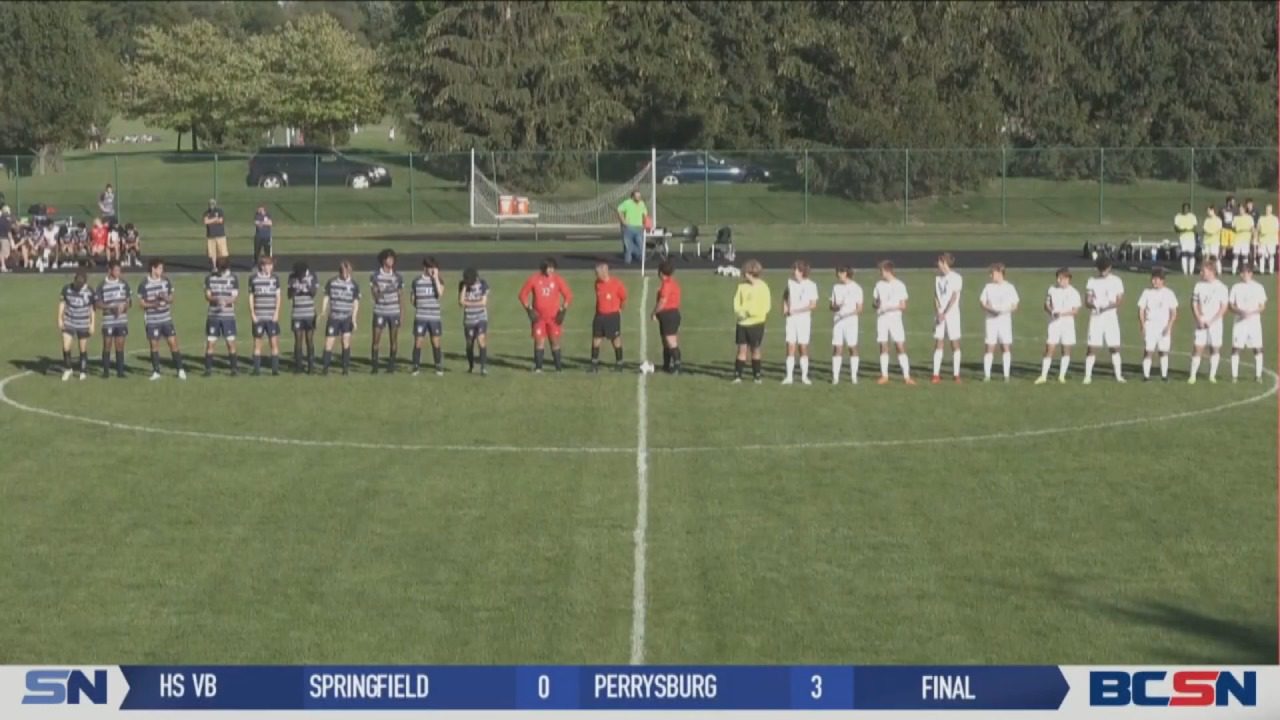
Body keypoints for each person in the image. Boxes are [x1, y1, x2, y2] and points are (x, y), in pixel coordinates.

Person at [517, 258, 573, 372]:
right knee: (539, 341)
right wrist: (529, 309)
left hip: (553, 318)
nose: (551, 270)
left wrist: (563, 309)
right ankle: (538, 368)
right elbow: (522, 295)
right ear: (544, 268)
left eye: (553, 268)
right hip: (539, 318)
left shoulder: (558, 280)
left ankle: (558, 368)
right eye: (549, 267)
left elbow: (569, 295)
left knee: (555, 341)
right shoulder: (534, 279)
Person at [137, 258, 185, 380]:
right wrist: (154, 304)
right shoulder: (144, 284)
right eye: (160, 268)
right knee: (154, 346)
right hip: (152, 320)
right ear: (153, 268)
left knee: (173, 343)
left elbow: (172, 299)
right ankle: (156, 371)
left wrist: (165, 297)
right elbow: (141, 304)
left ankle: (180, 370)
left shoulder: (165, 281)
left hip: (166, 318)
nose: (162, 271)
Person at [1083, 257, 1126, 384]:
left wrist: (1107, 307)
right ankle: (1087, 376)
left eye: (1104, 270)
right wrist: (1093, 305)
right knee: (1092, 347)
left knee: (1114, 347)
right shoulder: (1092, 281)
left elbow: (1119, 301)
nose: (1102, 272)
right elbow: (1087, 300)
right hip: (1096, 317)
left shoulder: (1116, 281)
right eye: (1100, 270)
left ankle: (1118, 376)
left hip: (1110, 317)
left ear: (1109, 268)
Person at [1036, 268, 1082, 384]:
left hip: (1067, 324)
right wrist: (1052, 312)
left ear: (1068, 279)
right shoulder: (1052, 290)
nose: (1059, 280)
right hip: (1054, 323)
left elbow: (1075, 311)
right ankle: (1043, 376)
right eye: (1058, 278)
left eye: (1061, 278)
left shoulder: (1074, 292)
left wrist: (1061, 313)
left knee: (1066, 349)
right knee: (1049, 347)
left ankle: (1062, 376)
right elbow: (1046, 304)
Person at [872, 260, 913, 385]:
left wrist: (889, 308)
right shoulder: (879, 284)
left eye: (882, 271)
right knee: (883, 346)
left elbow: (903, 306)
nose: (880, 273)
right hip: (882, 319)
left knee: (900, 346)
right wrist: (877, 304)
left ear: (888, 271)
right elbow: (875, 302)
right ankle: (884, 375)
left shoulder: (900, 285)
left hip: (895, 320)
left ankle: (906, 376)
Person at [1188, 259, 1228, 384]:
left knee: (1214, 348)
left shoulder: (1221, 287)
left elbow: (1223, 307)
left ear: (1211, 271)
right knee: (1197, 348)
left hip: (1215, 323)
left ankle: (1212, 375)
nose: (1201, 273)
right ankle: (1192, 375)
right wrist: (1198, 318)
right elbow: (1194, 303)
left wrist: (1212, 320)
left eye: (1203, 271)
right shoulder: (1199, 285)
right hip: (1201, 321)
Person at [979, 263, 1019, 382]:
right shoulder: (988, 287)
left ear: (1000, 273)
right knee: (989, 346)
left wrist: (1003, 311)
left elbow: (1015, 305)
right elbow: (982, 302)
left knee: (1005, 346)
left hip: (1004, 321)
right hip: (991, 321)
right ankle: (987, 375)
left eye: (992, 273)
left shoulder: (1009, 287)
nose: (990, 275)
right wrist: (990, 309)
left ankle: (1006, 375)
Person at [732, 259, 770, 383]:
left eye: (745, 272)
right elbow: (736, 303)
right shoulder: (741, 286)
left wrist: (753, 314)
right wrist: (741, 314)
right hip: (742, 323)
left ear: (751, 272)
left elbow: (766, 306)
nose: (744, 275)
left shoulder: (763, 287)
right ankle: (738, 376)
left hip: (757, 323)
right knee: (741, 350)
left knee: (755, 349)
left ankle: (757, 376)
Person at [1136, 267, 1178, 382]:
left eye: (1157, 279)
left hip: (1163, 326)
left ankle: (1164, 376)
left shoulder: (1169, 293)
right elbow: (1141, 310)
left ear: (1162, 280)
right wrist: (1143, 325)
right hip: (1150, 325)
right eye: (1153, 279)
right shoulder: (1147, 292)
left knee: (1163, 351)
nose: (1154, 281)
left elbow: (1174, 312)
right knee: (1148, 350)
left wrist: (1169, 326)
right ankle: (1146, 376)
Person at [1228, 264, 1267, 383]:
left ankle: (1258, 375)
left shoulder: (1259, 287)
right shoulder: (1236, 287)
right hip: (1239, 322)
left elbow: (1262, 306)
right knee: (1236, 348)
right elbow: (1231, 305)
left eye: (1243, 273)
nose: (1241, 275)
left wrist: (1252, 312)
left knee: (1257, 348)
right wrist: (1240, 312)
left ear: (1250, 273)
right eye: (1241, 273)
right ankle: (1234, 376)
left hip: (1254, 323)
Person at [321, 261, 360, 375]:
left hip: (346, 318)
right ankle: (325, 368)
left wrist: (354, 319)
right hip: (334, 317)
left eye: (347, 272)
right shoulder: (332, 282)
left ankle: (345, 368)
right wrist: (323, 310)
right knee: (329, 342)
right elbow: (326, 297)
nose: (346, 274)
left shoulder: (353, 285)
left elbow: (356, 303)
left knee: (345, 341)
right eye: (343, 271)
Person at [782, 259, 818, 385]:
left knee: (803, 347)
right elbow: (785, 295)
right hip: (791, 320)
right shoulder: (790, 283)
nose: (794, 272)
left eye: (796, 270)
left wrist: (797, 310)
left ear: (802, 272)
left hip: (804, 320)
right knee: (790, 346)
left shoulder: (811, 285)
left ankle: (804, 377)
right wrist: (785, 306)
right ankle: (789, 377)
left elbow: (813, 305)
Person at [203, 256, 240, 376]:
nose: (222, 271)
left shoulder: (233, 278)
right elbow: (207, 295)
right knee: (211, 342)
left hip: (228, 316)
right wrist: (216, 299)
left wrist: (226, 302)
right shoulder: (210, 278)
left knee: (230, 342)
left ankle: (234, 369)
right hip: (213, 316)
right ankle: (208, 369)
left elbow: (235, 296)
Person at [369, 249, 404, 373]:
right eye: (389, 259)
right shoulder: (375, 276)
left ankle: (391, 366)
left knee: (393, 340)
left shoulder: (398, 277)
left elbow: (400, 296)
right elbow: (375, 296)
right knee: (376, 339)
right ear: (384, 260)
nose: (392, 261)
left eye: (393, 259)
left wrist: (402, 314)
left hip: (393, 311)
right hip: (380, 311)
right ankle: (374, 366)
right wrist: (380, 291)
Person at [96, 259, 132, 378]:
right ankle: (106, 372)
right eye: (116, 270)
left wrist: (124, 307)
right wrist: (111, 308)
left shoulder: (124, 284)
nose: (118, 272)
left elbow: (129, 302)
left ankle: (120, 372)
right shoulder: (102, 285)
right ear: (110, 270)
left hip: (121, 319)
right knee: (107, 344)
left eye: (119, 270)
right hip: (108, 320)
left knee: (120, 344)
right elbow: (98, 304)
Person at [931, 252, 963, 383]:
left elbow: (954, 297)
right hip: (940, 315)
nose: (937, 265)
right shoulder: (938, 279)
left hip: (952, 315)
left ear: (944, 263)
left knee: (954, 343)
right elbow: (935, 296)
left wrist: (945, 312)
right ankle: (935, 374)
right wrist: (938, 312)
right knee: (938, 342)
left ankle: (956, 374)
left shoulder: (956, 277)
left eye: (939, 262)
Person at [58, 271, 96, 381]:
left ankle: (83, 371)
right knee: (66, 346)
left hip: (83, 322)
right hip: (69, 321)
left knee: (82, 347)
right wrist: (60, 319)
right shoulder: (66, 289)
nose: (79, 287)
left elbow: (92, 309)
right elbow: (62, 304)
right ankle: (68, 369)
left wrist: (92, 324)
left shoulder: (89, 291)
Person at [411, 258, 446, 376]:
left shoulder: (439, 280)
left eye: (434, 267)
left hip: (434, 317)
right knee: (418, 341)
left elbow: (440, 294)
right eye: (430, 267)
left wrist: (435, 278)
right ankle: (415, 366)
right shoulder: (417, 281)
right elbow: (413, 299)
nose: (432, 269)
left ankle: (438, 365)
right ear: (424, 267)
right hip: (421, 316)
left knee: (435, 341)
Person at [829, 265, 863, 385]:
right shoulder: (836, 287)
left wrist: (847, 314)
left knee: (852, 347)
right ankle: (835, 377)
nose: (838, 275)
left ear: (846, 273)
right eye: (837, 272)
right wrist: (836, 307)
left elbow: (859, 309)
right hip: (838, 322)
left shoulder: (856, 288)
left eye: (840, 272)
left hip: (851, 322)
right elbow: (831, 306)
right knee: (837, 348)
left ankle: (854, 376)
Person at [590, 262, 628, 373]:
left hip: (612, 316)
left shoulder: (617, 284)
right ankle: (594, 364)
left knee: (615, 339)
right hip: (599, 316)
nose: (596, 275)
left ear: (604, 272)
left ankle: (619, 363)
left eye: (597, 273)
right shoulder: (597, 283)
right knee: (596, 339)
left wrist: (620, 310)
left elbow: (624, 298)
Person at [248, 255, 282, 376]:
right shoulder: (253, 279)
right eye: (268, 265)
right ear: (262, 266)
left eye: (271, 265)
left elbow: (278, 297)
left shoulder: (275, 279)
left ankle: (275, 369)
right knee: (257, 343)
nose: (270, 267)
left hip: (271, 316)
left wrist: (276, 312)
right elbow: (251, 297)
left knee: (274, 342)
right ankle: (256, 370)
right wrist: (252, 314)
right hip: (259, 316)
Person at [287, 262, 320, 374]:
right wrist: (294, 289)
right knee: (298, 340)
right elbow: (289, 295)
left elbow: (314, 292)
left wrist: (305, 287)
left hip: (309, 313)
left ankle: (311, 366)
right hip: (297, 313)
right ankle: (298, 366)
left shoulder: (312, 276)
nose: (299, 276)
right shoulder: (292, 277)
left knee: (309, 339)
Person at [652, 259, 682, 374]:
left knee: (671, 341)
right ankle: (666, 365)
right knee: (665, 341)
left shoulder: (667, 285)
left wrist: (654, 312)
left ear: (660, 272)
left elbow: (662, 302)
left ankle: (677, 365)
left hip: (669, 314)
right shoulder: (672, 283)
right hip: (670, 314)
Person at [459, 267, 490, 375]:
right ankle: (471, 366)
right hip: (469, 320)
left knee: (481, 340)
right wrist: (464, 287)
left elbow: (483, 302)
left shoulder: (483, 284)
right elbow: (461, 302)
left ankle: (483, 367)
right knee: (469, 344)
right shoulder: (463, 285)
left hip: (481, 317)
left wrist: (469, 303)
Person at [615, 190, 648, 266]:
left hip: (639, 228)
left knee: (641, 246)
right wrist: (623, 221)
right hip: (629, 228)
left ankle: (642, 262)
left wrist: (644, 223)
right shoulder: (627, 203)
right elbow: (619, 210)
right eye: (637, 196)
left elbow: (645, 214)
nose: (639, 197)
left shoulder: (642, 203)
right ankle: (627, 263)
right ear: (633, 196)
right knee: (628, 247)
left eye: (639, 196)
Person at [1230, 198, 1255, 276]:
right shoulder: (1236, 218)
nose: (1240, 211)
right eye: (1239, 209)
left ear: (1245, 210)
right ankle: (1233, 271)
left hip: (1245, 240)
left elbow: (1252, 229)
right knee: (1235, 255)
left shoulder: (1249, 218)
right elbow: (1233, 228)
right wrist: (1238, 230)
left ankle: (1245, 270)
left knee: (1245, 256)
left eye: (1242, 209)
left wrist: (1252, 238)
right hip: (1237, 240)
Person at [203, 198, 227, 271]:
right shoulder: (206, 213)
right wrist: (215, 219)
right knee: (212, 253)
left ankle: (223, 266)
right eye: (210, 204)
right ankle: (214, 267)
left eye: (213, 204)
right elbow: (206, 221)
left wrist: (211, 220)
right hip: (211, 235)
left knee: (222, 252)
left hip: (220, 235)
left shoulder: (219, 211)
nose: (211, 205)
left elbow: (220, 220)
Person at [1174, 202, 1197, 276]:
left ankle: (1191, 272)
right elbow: (1176, 228)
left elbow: (1194, 228)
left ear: (1189, 209)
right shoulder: (1178, 216)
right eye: (1184, 208)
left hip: (1191, 238)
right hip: (1183, 238)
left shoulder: (1192, 216)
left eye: (1187, 208)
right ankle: (1185, 272)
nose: (1185, 210)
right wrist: (1184, 230)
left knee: (1191, 255)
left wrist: (1188, 230)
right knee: (1184, 254)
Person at [1256, 203, 1278, 275]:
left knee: (1271, 255)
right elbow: (1258, 230)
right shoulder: (1261, 218)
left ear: (1271, 210)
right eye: (1267, 209)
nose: (1268, 210)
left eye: (1269, 209)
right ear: (1265, 210)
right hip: (1262, 240)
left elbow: (1278, 230)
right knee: (1262, 255)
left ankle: (1270, 271)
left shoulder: (1275, 219)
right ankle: (1261, 271)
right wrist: (1257, 240)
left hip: (1272, 240)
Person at [1201, 205, 1222, 269]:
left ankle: (1218, 270)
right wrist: (1208, 232)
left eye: (1209, 210)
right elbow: (1204, 229)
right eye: (1207, 211)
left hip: (1215, 241)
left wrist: (1212, 233)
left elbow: (1219, 229)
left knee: (1215, 256)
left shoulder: (1218, 220)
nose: (1208, 212)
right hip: (1206, 241)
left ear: (1213, 211)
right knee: (1206, 256)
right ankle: (1205, 269)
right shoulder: (1206, 220)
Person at [1221, 196, 1237, 273]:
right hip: (1225, 230)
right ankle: (1221, 266)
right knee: (1223, 249)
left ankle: (1233, 266)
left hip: (1232, 231)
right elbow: (1220, 219)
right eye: (1233, 201)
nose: (1234, 203)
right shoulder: (1222, 210)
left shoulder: (1235, 210)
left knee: (1233, 249)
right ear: (1229, 202)